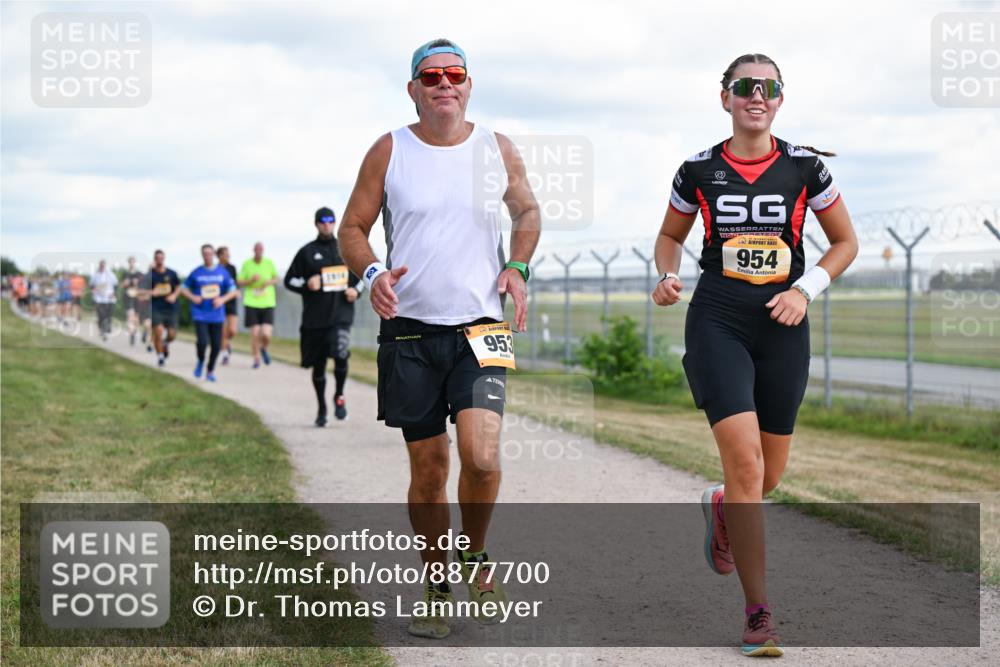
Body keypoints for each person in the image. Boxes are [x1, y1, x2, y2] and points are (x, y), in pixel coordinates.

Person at [651, 53, 858, 657]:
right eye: (744, 86)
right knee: (744, 468)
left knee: (765, 478)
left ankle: (723, 511)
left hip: (783, 323)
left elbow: (845, 243)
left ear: (780, 100)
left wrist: (804, 289)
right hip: (718, 319)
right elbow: (671, 236)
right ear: (725, 98)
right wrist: (666, 274)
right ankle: (758, 613)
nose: (756, 96)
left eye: (768, 88)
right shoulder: (697, 170)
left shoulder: (804, 168)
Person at [338, 38, 540, 639]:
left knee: (480, 454)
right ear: (414, 89)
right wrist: (372, 273)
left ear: (469, 84)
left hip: (480, 328)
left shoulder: (495, 148)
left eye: (455, 74)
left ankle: (473, 555)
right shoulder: (388, 149)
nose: (444, 84)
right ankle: (434, 581)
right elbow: (353, 227)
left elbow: (526, 213)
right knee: (429, 468)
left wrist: (518, 267)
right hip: (409, 334)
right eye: (432, 76)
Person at [284, 207, 362, 424]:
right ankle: (321, 408)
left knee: (340, 353)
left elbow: (364, 277)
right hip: (315, 320)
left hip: (341, 317)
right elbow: (289, 280)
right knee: (318, 366)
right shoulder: (307, 252)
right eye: (322, 221)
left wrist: (357, 291)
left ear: (335, 223)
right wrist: (307, 284)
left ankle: (339, 394)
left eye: (330, 220)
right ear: (316, 224)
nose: (326, 224)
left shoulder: (346, 249)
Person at [180, 244, 238, 382]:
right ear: (202, 255)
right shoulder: (197, 272)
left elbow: (233, 290)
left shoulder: (222, 272)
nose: (207, 256)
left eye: (210, 253)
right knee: (202, 342)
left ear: (213, 255)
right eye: (205, 253)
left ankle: (210, 370)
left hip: (217, 314)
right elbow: (183, 288)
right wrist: (193, 297)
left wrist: (222, 299)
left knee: (216, 345)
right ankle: (200, 360)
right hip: (200, 313)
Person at [237, 242, 279, 369]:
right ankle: (256, 358)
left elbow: (277, 278)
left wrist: (269, 281)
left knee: (266, 333)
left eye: (261, 249)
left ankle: (264, 348)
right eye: (257, 249)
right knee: (255, 333)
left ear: (263, 250)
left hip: (267, 302)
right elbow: (239, 282)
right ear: (254, 250)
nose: (259, 251)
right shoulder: (247, 264)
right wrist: (251, 280)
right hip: (251, 302)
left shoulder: (269, 263)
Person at [142, 250, 181, 367]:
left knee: (172, 335)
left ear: (164, 259)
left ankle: (165, 343)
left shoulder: (172, 273)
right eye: (157, 258)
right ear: (155, 259)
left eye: (161, 258)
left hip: (171, 308)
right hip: (156, 308)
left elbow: (179, 287)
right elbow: (141, 291)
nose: (159, 260)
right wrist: (151, 292)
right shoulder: (150, 276)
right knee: (158, 332)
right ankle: (160, 357)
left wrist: (174, 295)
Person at [216, 246, 240, 365]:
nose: (228, 256)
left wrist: (237, 291)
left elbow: (235, 283)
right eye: (225, 254)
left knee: (232, 330)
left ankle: (227, 343)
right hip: (218, 301)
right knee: (222, 330)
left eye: (228, 254)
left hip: (231, 300)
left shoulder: (232, 268)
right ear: (219, 256)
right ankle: (225, 354)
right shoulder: (215, 269)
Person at [90, 260, 118, 341]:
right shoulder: (95, 275)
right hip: (99, 299)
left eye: (103, 266)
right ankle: (102, 330)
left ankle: (107, 327)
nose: (102, 267)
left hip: (109, 298)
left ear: (105, 266)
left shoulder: (111, 275)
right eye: (101, 266)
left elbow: (116, 285)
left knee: (109, 315)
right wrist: (93, 289)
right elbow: (91, 285)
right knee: (101, 315)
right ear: (99, 266)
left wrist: (114, 293)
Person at [121, 256, 145, 346]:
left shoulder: (140, 274)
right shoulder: (125, 274)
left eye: (133, 262)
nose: (131, 264)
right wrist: (125, 284)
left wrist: (137, 284)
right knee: (130, 314)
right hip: (128, 296)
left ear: (135, 263)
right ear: (128, 263)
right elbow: (122, 285)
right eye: (130, 262)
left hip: (137, 297)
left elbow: (143, 286)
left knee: (136, 317)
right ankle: (131, 333)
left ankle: (134, 330)